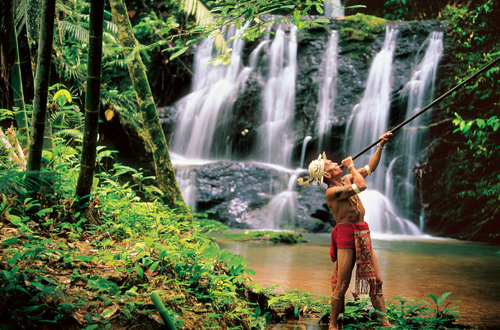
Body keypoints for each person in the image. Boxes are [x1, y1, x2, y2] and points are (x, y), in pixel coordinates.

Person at [298, 131, 393, 330]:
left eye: (334, 162)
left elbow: (370, 168)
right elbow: (362, 185)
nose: (335, 163)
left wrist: (380, 145)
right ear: (326, 175)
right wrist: (351, 166)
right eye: (331, 164)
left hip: (362, 233)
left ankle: (384, 321)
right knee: (342, 284)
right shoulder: (332, 193)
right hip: (346, 236)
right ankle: (333, 325)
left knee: (377, 280)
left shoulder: (348, 179)